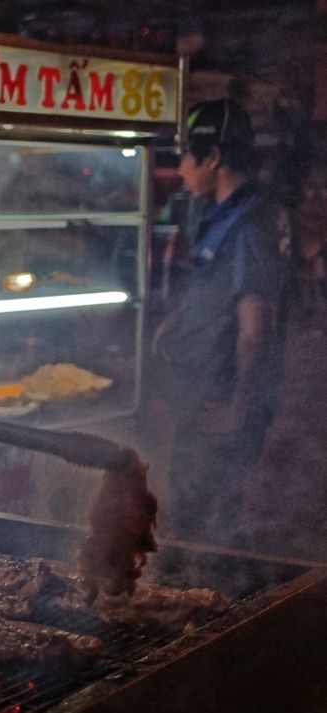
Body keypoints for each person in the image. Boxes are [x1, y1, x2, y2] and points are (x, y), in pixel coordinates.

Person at [153, 98, 288, 545]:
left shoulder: (250, 224)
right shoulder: (222, 215)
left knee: (207, 522)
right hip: (201, 393)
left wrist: (238, 406)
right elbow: (219, 291)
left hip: (220, 402)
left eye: (187, 157)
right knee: (190, 505)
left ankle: (208, 604)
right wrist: (179, 319)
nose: (181, 169)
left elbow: (256, 328)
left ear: (213, 159)